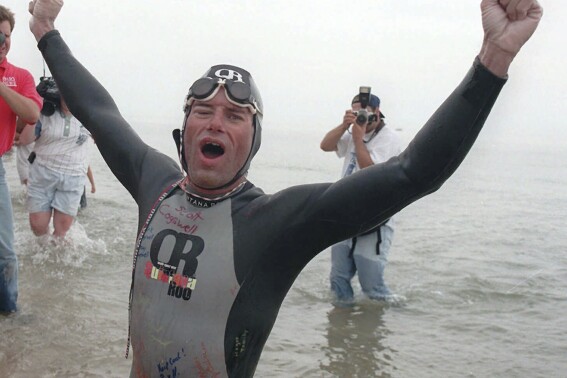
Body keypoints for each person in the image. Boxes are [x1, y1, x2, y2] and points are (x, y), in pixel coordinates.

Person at [28, 0, 543, 376]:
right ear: (184, 134)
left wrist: (493, 60)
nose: (215, 122)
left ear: (253, 142)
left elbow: (414, 173)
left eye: (235, 115)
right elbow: (99, 110)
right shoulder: (154, 183)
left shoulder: (278, 222)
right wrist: (48, 32)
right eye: (202, 112)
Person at [321, 92, 402, 303]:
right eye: (356, 112)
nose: (361, 117)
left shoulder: (389, 138)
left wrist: (358, 139)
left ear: (377, 111)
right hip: (346, 214)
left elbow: (371, 171)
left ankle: (396, 314)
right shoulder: (354, 130)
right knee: (338, 280)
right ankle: (341, 326)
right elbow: (325, 145)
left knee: (371, 287)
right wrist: (344, 126)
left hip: (376, 219)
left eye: (364, 113)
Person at [0, 5, 42, 314]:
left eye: (7, 35)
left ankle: (9, 312)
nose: (3, 41)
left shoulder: (20, 76)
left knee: (5, 251)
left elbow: (31, 114)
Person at [18, 83, 93, 238]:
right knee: (38, 225)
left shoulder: (88, 117)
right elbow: (25, 139)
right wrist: (37, 109)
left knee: (63, 227)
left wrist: (92, 182)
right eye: (64, 96)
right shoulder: (45, 114)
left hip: (74, 175)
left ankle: (58, 253)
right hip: (43, 172)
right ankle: (43, 245)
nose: (68, 100)